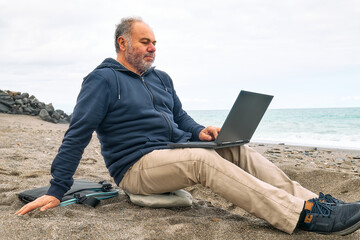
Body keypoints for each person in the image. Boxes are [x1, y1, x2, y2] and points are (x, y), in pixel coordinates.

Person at [16, 17, 360, 236]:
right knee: (202, 160)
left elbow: (180, 117)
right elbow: (77, 133)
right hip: (135, 167)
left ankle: (316, 203)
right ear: (123, 43)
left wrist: (200, 132)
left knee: (233, 146)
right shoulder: (102, 80)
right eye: (144, 42)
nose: (153, 48)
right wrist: (57, 189)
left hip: (173, 153)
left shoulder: (161, 78)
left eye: (154, 43)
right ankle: (300, 215)